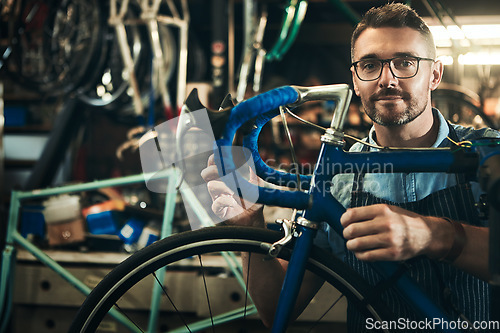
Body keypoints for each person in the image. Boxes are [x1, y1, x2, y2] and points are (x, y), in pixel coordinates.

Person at [201, 3, 500, 331]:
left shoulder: (488, 152)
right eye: (370, 65)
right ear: (356, 81)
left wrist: (436, 235)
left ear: (435, 74)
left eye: (405, 63)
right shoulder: (337, 180)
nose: (387, 79)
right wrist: (250, 224)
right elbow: (276, 310)